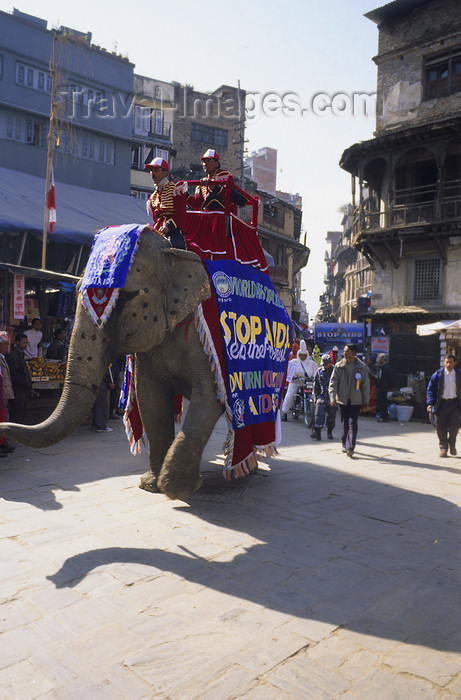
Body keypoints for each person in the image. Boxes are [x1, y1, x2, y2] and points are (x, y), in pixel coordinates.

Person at [329, 343, 370, 457]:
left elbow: (365, 385)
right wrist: (332, 397)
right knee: (344, 422)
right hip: (342, 400)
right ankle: (344, 443)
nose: (344, 353)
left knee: (353, 423)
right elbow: (333, 383)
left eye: (347, 351)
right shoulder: (339, 366)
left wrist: (366, 400)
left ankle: (351, 447)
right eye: (344, 351)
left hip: (355, 400)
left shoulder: (361, 367)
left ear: (353, 353)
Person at [145, 157, 186, 249]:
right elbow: (155, 219)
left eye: (156, 170)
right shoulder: (153, 196)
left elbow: (180, 214)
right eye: (151, 170)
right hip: (157, 231)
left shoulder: (175, 189)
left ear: (165, 172)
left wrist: (168, 226)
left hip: (173, 231)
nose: (152, 173)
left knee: (173, 248)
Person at [426, 354, 461, 457]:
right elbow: (431, 390)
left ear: (455, 363)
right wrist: (430, 403)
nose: (448, 364)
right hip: (441, 404)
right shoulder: (438, 375)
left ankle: (452, 444)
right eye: (446, 362)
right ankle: (443, 448)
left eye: (450, 362)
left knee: (455, 425)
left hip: (454, 404)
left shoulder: (459, 375)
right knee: (440, 427)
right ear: (444, 363)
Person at [281, 339, 319, 421]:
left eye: (304, 355)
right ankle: (285, 412)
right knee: (289, 395)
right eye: (301, 355)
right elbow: (288, 374)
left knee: (314, 395)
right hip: (295, 382)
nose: (303, 357)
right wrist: (293, 377)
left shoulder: (312, 363)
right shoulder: (293, 362)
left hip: (307, 383)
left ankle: (316, 413)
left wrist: (314, 378)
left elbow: (316, 373)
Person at [6, 332, 32, 424]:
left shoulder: (20, 354)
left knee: (21, 411)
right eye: (23, 343)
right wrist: (24, 382)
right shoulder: (13, 355)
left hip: (23, 388)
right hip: (18, 389)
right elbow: (15, 375)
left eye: (26, 343)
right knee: (17, 412)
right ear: (17, 342)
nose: (25, 345)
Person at [312, 354, 336, 440]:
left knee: (331, 416)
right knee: (318, 415)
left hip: (331, 397)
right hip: (321, 396)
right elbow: (316, 384)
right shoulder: (319, 371)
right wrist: (315, 396)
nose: (325, 366)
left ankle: (329, 432)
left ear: (330, 363)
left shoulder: (334, 370)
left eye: (326, 364)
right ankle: (317, 433)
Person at [0, 332, 15, 454]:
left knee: (4, 418)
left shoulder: (3, 358)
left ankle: (4, 442)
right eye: (4, 345)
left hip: (4, 394)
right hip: (2, 394)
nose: (7, 347)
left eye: (7, 344)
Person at [91, 368, 115, 433]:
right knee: (101, 403)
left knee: (97, 403)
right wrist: (110, 381)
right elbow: (108, 370)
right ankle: (101, 425)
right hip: (101, 379)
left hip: (94, 378)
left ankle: (96, 423)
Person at [375, 353, 396, 422]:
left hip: (384, 387)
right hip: (381, 387)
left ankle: (384, 417)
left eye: (380, 358)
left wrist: (391, 386)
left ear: (384, 359)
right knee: (380, 402)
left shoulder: (387, 367)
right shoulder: (382, 367)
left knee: (383, 402)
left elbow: (390, 378)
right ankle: (381, 415)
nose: (378, 359)